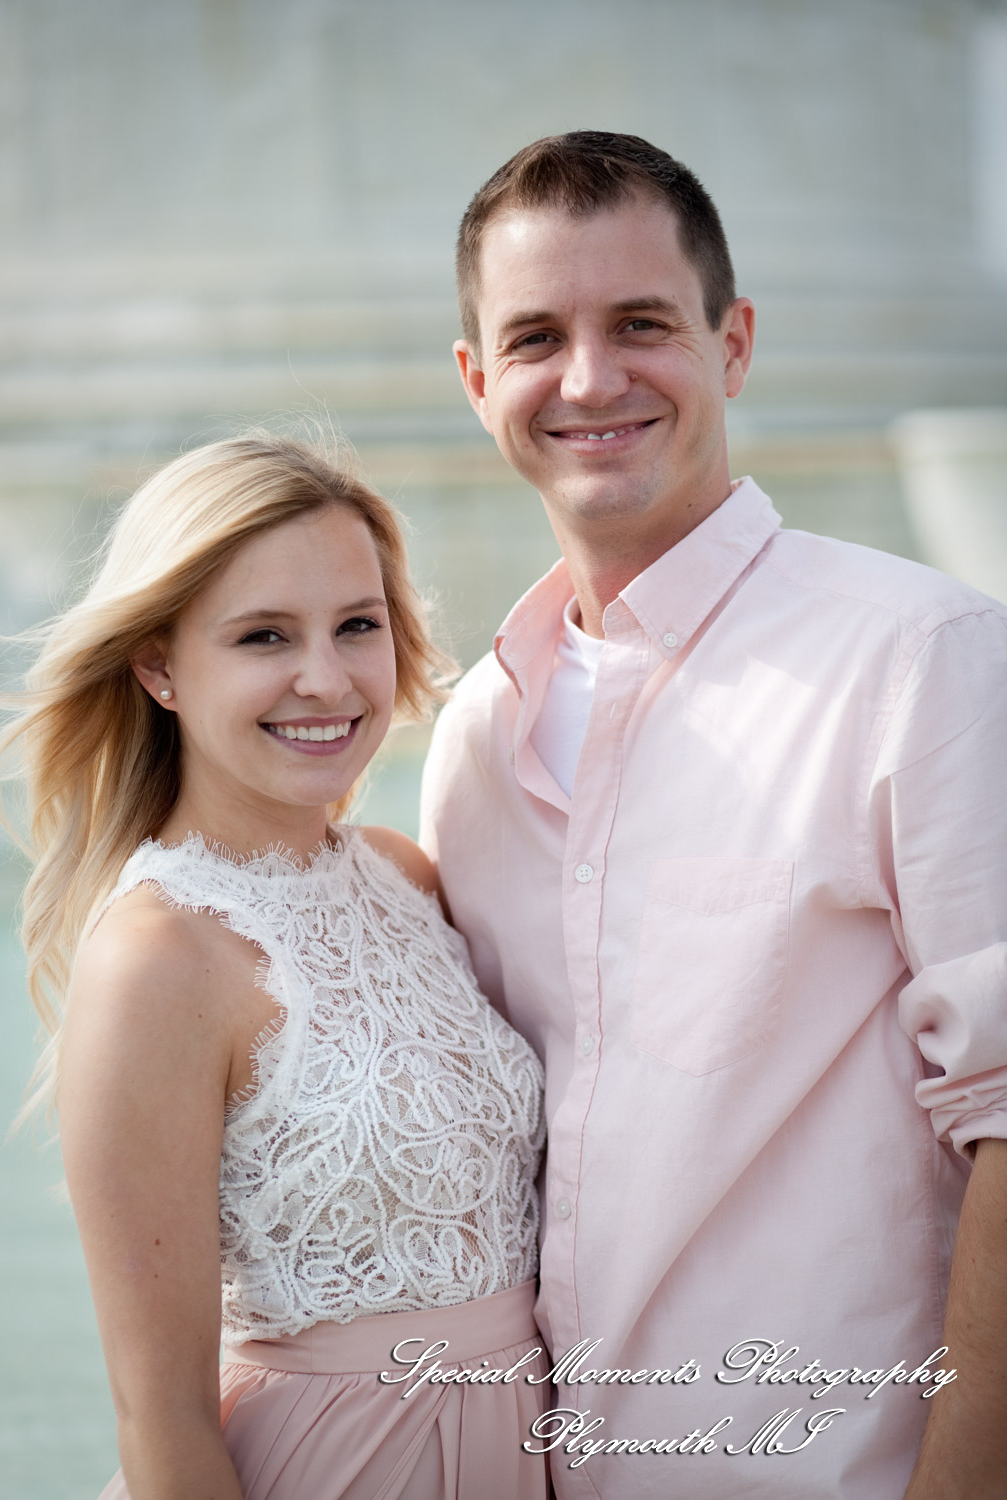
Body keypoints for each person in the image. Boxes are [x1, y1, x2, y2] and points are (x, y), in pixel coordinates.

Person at [419, 131, 1007, 1500]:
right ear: (474, 382)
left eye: (640, 325)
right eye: (534, 338)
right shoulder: (472, 739)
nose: (588, 379)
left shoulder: (920, 657)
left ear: (731, 343)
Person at [0, 434, 550, 1499]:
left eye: (357, 626)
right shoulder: (155, 960)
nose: (325, 679)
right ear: (158, 665)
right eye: (263, 636)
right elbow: (158, 1414)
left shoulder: (404, 876)